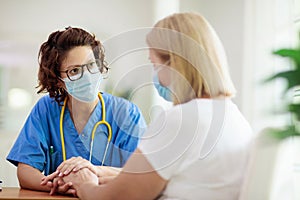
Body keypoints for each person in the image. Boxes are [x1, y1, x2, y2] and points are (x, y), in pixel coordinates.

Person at [45, 12, 253, 199]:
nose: (155, 76)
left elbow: (113, 198)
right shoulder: (234, 117)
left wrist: (84, 184)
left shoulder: (182, 120)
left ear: (175, 64)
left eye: (155, 64)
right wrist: (97, 172)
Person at [6, 27, 146, 195]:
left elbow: (139, 174)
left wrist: (87, 173)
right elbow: (26, 171)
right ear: (58, 80)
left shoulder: (126, 113)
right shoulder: (46, 109)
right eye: (74, 70)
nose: (86, 76)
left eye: (91, 65)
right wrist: (61, 185)